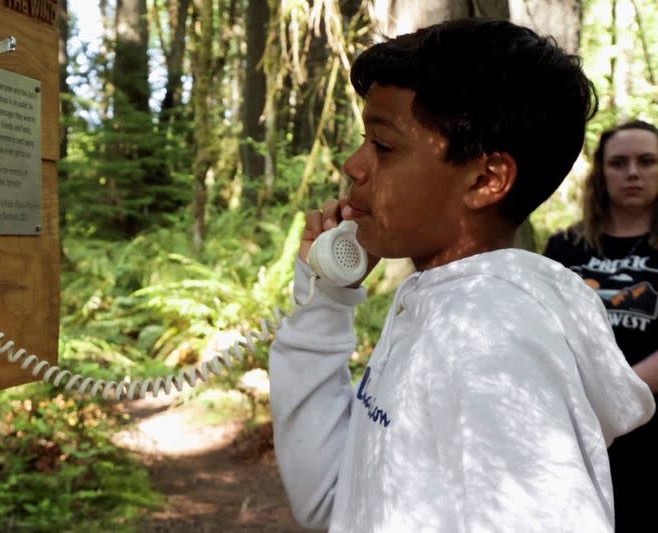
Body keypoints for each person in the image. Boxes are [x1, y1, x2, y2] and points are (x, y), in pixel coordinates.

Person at [269, 19, 656, 533]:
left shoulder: (490, 336)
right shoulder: (440, 305)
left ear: (486, 180)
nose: (353, 165)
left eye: (383, 146)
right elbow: (331, 497)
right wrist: (326, 298)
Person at [544, 119, 658, 533]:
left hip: (649, 430)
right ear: (600, 173)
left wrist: (615, 392)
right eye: (619, 162)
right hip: (577, 430)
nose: (632, 172)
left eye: (647, 161)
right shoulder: (565, 247)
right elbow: (544, 329)